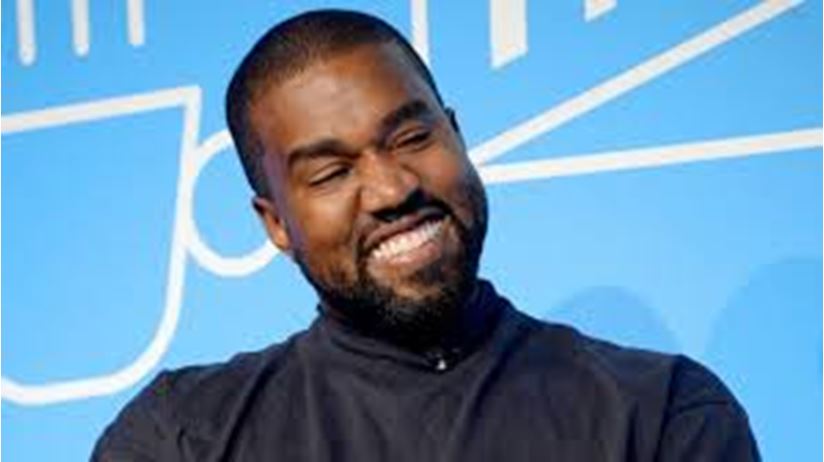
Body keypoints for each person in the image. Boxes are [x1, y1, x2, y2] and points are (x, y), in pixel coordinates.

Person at [93, 9, 760, 461]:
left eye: (413, 137)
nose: (393, 190)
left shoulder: (660, 412)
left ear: (457, 136)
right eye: (331, 173)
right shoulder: (183, 439)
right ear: (275, 224)